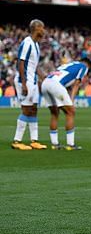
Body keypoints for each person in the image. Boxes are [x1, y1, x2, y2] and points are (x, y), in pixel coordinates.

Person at [41, 58, 91, 150]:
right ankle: (70, 144)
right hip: (55, 85)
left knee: (54, 113)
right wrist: (71, 101)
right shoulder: (84, 66)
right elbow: (76, 84)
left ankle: (55, 144)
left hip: (45, 83)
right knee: (70, 112)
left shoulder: (68, 64)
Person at [11, 19, 46, 151]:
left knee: (34, 109)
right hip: (25, 81)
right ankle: (17, 140)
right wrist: (24, 83)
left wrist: (43, 77)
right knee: (26, 109)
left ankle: (34, 140)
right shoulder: (27, 43)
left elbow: (34, 65)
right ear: (36, 28)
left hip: (33, 81)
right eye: (42, 28)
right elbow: (21, 63)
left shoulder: (36, 45)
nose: (44, 30)